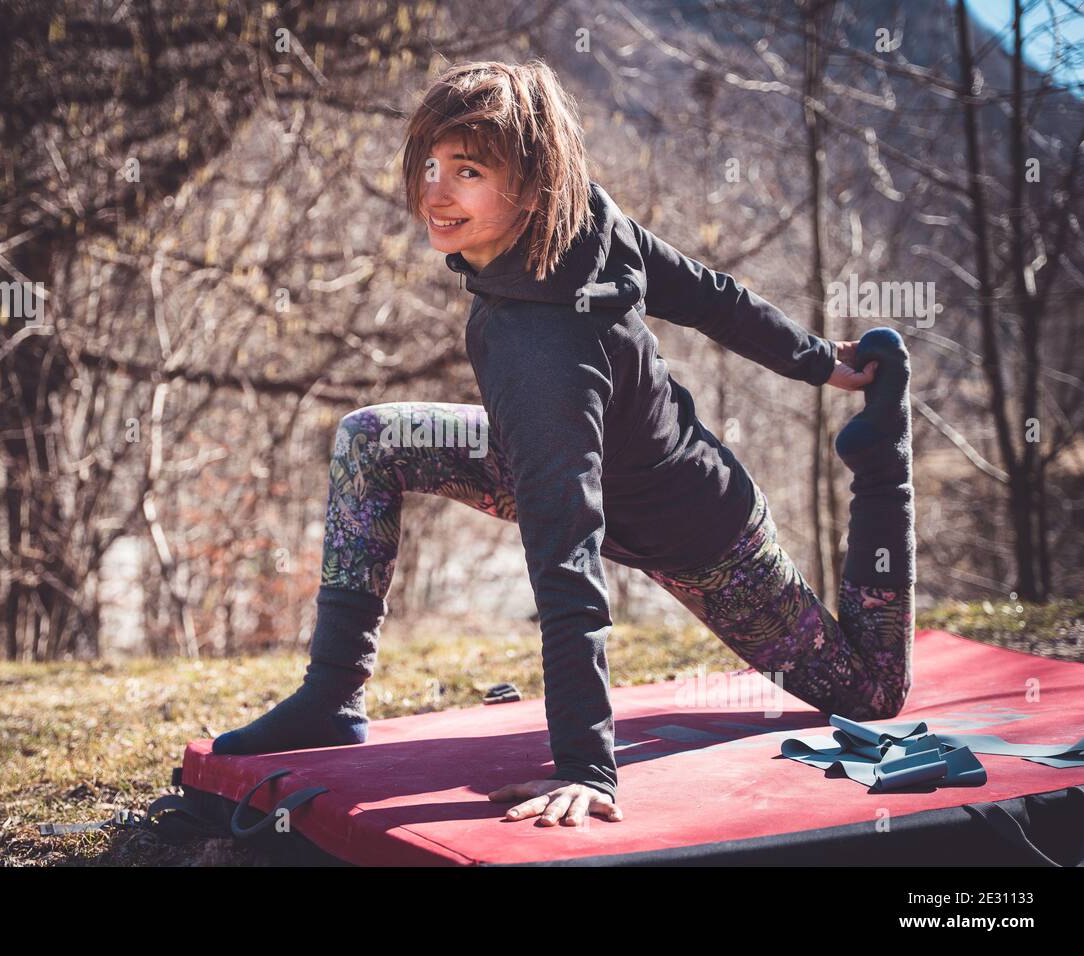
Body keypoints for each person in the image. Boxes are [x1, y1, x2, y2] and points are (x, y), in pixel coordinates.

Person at [210, 59, 915, 829]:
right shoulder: (584, 222)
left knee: (869, 695)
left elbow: (565, 553)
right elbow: (710, 295)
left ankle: (883, 468)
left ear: (533, 185)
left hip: (696, 533)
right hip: (552, 456)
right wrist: (821, 362)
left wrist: (587, 764)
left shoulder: (543, 353)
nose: (434, 193)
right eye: (433, 164)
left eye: (468, 171)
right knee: (374, 438)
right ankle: (331, 696)